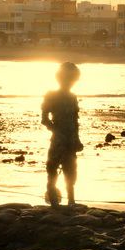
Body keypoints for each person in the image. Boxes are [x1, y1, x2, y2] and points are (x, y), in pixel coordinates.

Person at [41, 62, 83, 207]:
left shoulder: (72, 97)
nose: (70, 83)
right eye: (68, 79)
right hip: (58, 139)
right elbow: (45, 120)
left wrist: (77, 139)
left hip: (71, 139)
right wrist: (58, 132)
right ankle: (53, 200)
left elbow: (75, 121)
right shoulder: (51, 96)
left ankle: (71, 200)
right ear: (60, 78)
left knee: (71, 170)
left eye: (73, 80)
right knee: (52, 168)